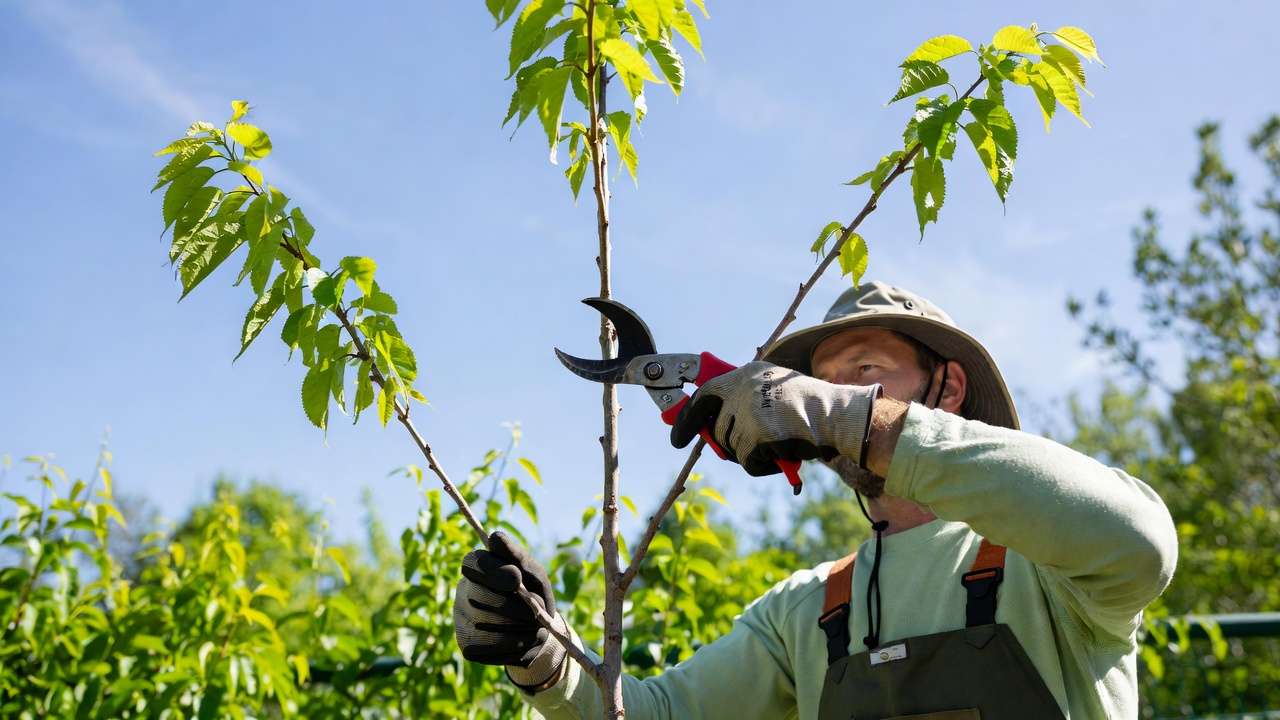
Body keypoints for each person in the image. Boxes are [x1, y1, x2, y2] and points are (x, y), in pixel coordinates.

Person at [452, 281, 1179, 719]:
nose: (823, 401)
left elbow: (1140, 542)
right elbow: (650, 714)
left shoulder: (1045, 566)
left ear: (947, 389)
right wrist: (541, 654)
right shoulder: (809, 609)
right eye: (817, 385)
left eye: (864, 372)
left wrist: (850, 418)